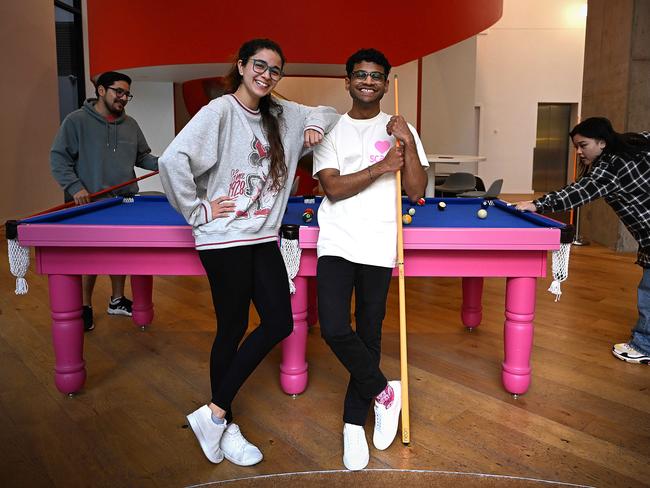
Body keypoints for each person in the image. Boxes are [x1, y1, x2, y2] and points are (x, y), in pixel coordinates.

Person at [158, 38, 338, 466]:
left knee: (278, 322)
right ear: (240, 66)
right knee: (232, 326)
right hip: (224, 240)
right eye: (259, 65)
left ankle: (215, 413)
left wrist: (314, 125)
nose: (266, 75)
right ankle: (226, 418)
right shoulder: (219, 112)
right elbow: (172, 160)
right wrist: (198, 208)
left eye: (275, 70)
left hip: (262, 238)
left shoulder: (282, 113)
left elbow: (329, 112)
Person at [313, 48, 429, 471]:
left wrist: (408, 144)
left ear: (385, 82)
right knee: (333, 327)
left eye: (376, 76)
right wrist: (382, 165)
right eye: (360, 75)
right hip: (338, 242)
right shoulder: (329, 131)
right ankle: (385, 390)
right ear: (347, 81)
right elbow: (333, 188)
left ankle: (351, 423)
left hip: (380, 244)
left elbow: (416, 190)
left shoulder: (401, 128)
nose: (368, 81)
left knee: (369, 333)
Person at [515, 117, 650, 365]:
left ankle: (644, 346)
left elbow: (579, 191)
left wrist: (537, 204)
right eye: (576, 146)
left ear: (602, 142)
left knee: (648, 290)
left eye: (583, 145)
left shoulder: (610, 167)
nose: (578, 152)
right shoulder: (634, 141)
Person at [50, 71, 159, 332]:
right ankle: (85, 306)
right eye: (118, 92)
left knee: (121, 253)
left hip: (125, 201)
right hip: (92, 203)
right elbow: (58, 158)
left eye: (127, 94)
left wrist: (166, 164)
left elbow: (142, 156)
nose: (123, 98)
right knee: (92, 259)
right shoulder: (76, 122)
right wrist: (75, 187)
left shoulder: (130, 124)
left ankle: (117, 300)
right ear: (101, 90)